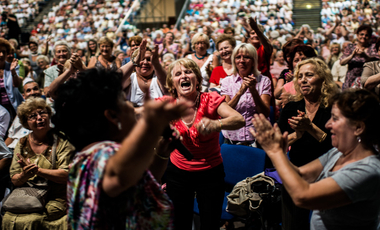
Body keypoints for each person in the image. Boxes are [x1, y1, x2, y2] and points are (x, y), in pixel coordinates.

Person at [52, 68, 191, 229]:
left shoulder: (87, 156)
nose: (132, 108)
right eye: (125, 101)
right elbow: (118, 176)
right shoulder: (102, 153)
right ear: (112, 116)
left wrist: (161, 154)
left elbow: (137, 180)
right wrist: (150, 126)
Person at [251, 89, 380, 230]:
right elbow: (301, 175)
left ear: (358, 127)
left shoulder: (367, 170)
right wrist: (279, 151)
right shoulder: (337, 153)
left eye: (335, 119)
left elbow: (303, 196)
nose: (327, 124)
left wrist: (275, 152)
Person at [162, 58, 245, 230]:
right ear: (172, 83)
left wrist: (217, 124)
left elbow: (239, 119)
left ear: (198, 79)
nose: (184, 76)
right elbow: (141, 119)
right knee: (180, 223)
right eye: (178, 74)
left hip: (210, 172)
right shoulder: (167, 105)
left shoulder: (210, 99)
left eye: (188, 72)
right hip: (178, 173)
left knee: (210, 223)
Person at [276, 58, 339, 230]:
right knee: (293, 225)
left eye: (309, 75)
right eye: (300, 76)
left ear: (323, 79)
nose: (303, 80)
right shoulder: (291, 108)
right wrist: (299, 133)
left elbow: (338, 146)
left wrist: (310, 127)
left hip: (327, 174)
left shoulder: (334, 108)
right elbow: (279, 143)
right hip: (296, 172)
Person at [2, 97, 75, 230]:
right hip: (27, 194)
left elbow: (66, 175)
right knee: (8, 217)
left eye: (42, 113)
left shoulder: (61, 140)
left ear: (49, 115)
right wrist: (24, 175)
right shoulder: (22, 142)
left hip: (55, 195)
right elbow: (15, 179)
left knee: (34, 218)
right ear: (25, 123)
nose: (39, 118)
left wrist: (38, 171)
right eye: (33, 116)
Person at [220, 43, 271, 145]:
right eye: (238, 57)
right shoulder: (226, 82)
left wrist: (253, 91)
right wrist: (240, 92)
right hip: (232, 139)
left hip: (258, 138)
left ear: (253, 61)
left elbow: (265, 113)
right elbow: (224, 113)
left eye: (246, 57)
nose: (242, 61)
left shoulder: (264, 81)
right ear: (234, 61)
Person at [119, 39, 167, 107]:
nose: (145, 62)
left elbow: (168, 87)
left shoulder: (158, 78)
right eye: (141, 59)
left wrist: (156, 64)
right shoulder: (130, 78)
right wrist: (134, 61)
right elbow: (115, 80)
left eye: (149, 59)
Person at [340, 25, 379, 89]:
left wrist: (365, 56)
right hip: (350, 80)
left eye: (366, 35)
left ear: (369, 37)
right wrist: (352, 55)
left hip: (367, 80)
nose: (364, 36)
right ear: (357, 35)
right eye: (361, 34)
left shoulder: (373, 47)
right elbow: (342, 62)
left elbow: (376, 60)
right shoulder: (350, 47)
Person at [0, 38, 23, 121]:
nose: (1, 54)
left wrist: (13, 71)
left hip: (13, 106)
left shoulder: (13, 66)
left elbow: (16, 85)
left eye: (4, 52)